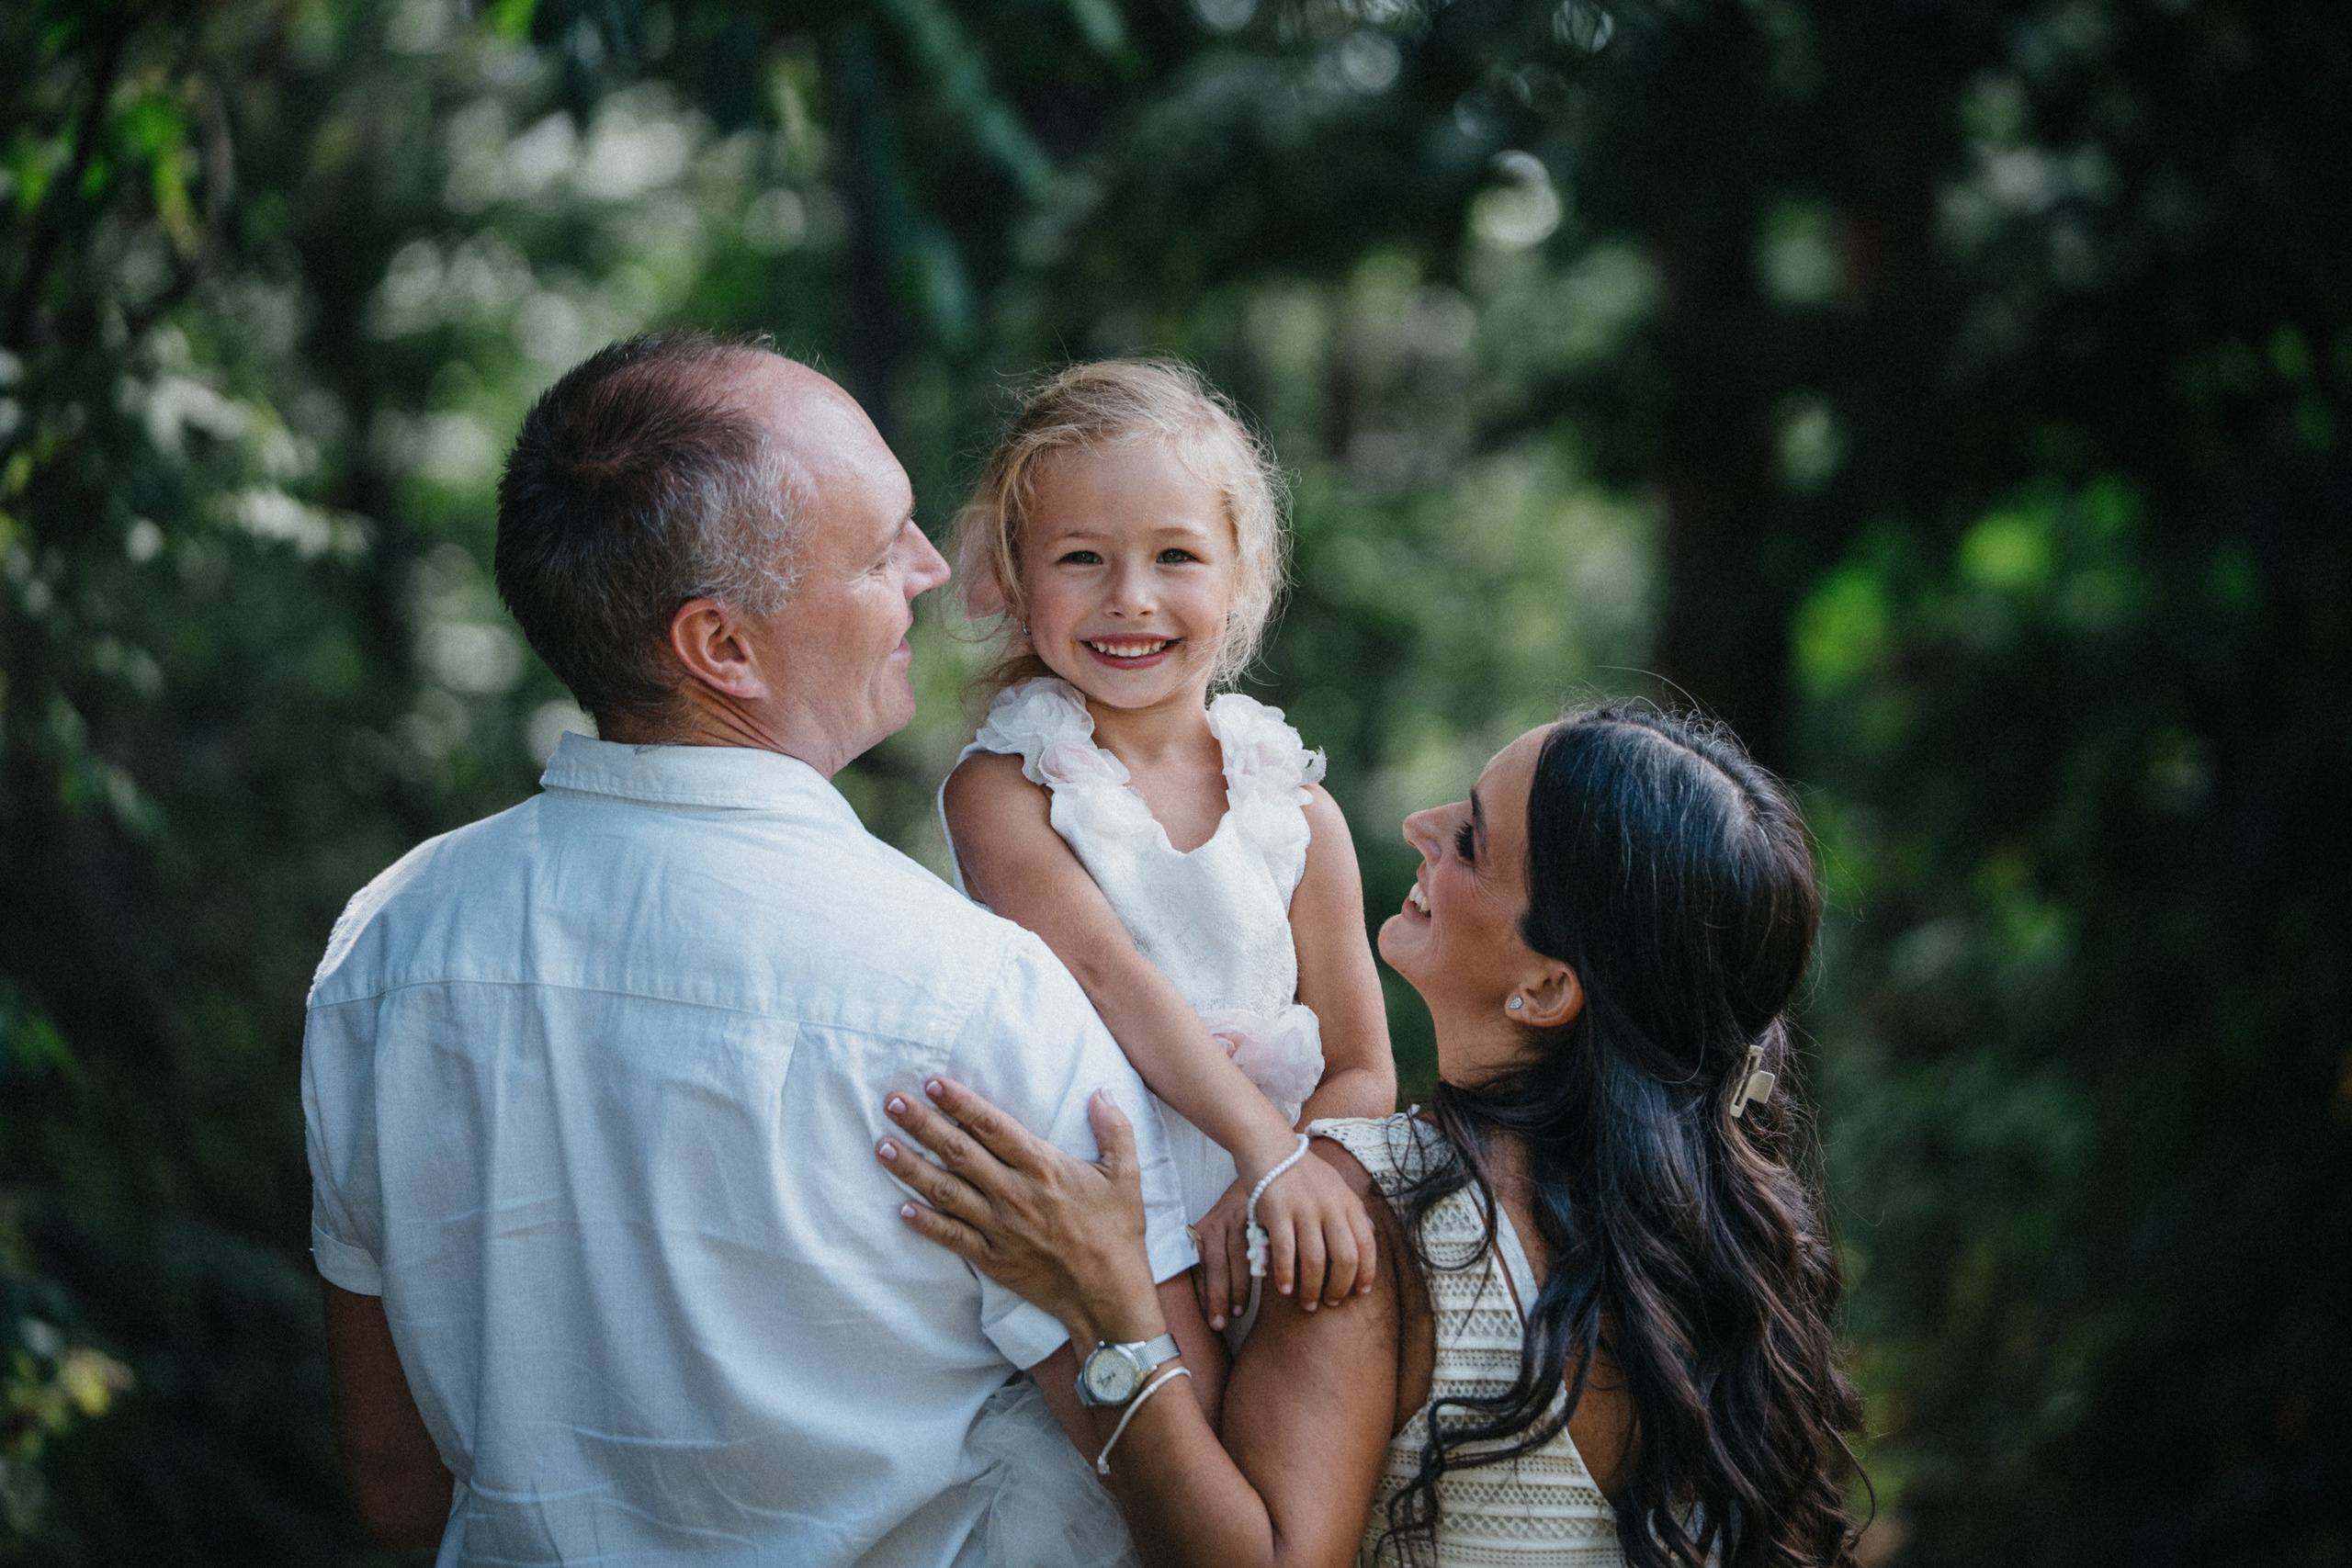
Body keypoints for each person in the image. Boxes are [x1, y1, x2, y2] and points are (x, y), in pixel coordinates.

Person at [300, 332, 1221, 1567]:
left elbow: (400, 1488)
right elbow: (1193, 1511)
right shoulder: (972, 993)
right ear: (721, 647)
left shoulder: (387, 948)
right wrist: (1119, 1305)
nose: (934, 567)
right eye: (878, 546)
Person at [879, 705, 1868, 1567]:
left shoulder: (1374, 1207)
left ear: (1544, 988)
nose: (1420, 827)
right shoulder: (1725, 1255)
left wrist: (1102, 1301)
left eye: (1471, 841)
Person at [941, 360, 1395, 1331]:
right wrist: (1261, 1147)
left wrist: (1277, 1177)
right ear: (1018, 580)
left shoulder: (1296, 810)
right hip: (1096, 1212)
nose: (1130, 597)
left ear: (1243, 574)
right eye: (1080, 559)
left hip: (1274, 1219)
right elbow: (1107, 973)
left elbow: (1363, 1068)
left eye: (1176, 557)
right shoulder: (1003, 787)